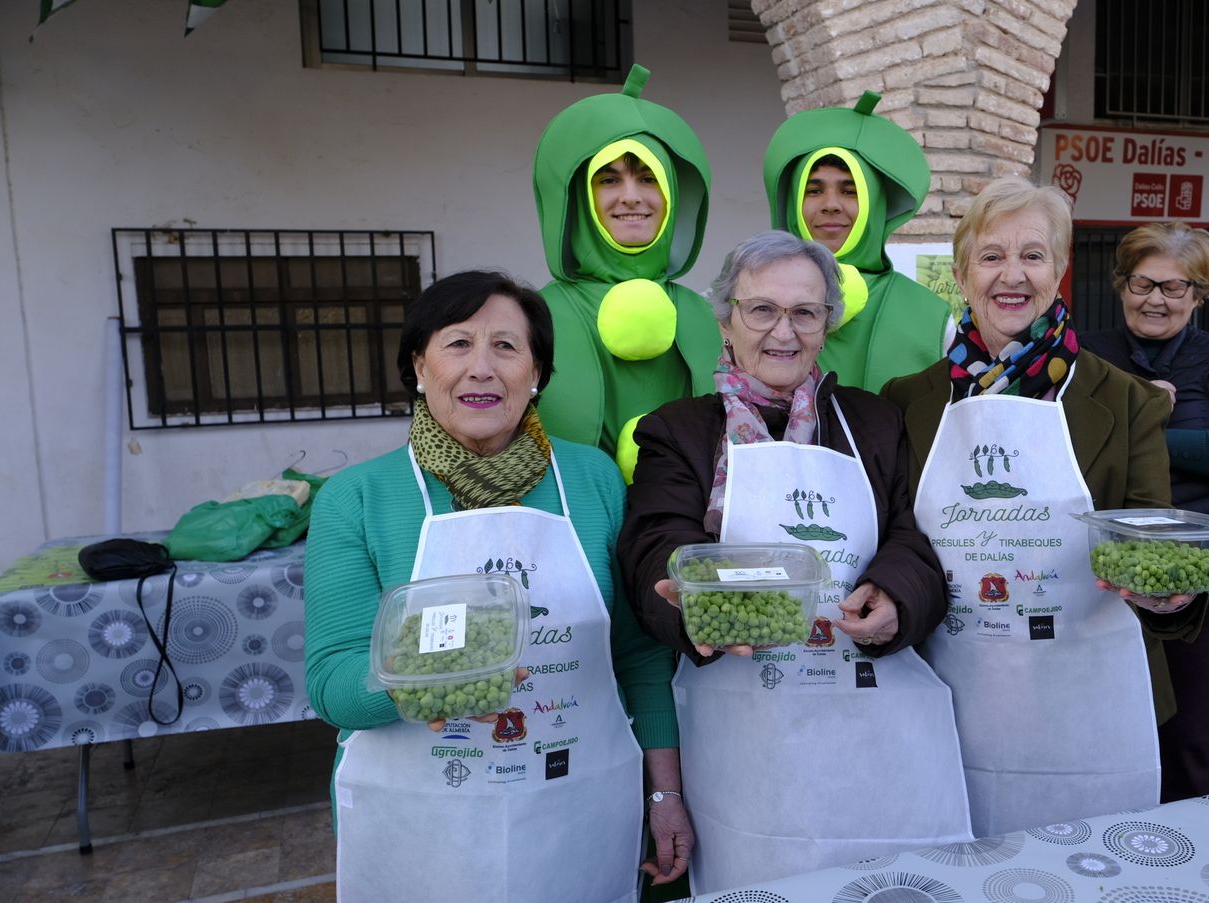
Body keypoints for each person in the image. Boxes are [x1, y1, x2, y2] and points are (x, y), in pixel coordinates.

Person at [305, 271, 690, 902]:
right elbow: (331, 684)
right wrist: (419, 687)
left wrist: (665, 793)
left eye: (506, 347)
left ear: (536, 372)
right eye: (458, 344)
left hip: (578, 797)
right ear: (419, 367)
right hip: (421, 815)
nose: (482, 368)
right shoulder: (360, 497)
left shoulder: (592, 481)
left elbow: (639, 657)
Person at [619, 231, 970, 893]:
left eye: (805, 312)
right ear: (725, 319)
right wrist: (685, 602)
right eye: (762, 310)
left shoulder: (872, 422)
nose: (784, 330)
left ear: (827, 324)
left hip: (867, 716)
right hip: (741, 720)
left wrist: (896, 594)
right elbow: (654, 541)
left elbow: (913, 539)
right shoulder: (680, 431)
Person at [882, 177, 1207, 837]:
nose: (1013, 274)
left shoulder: (1125, 400)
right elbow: (893, 540)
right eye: (992, 255)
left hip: (1088, 699)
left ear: (1060, 270)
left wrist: (1167, 591)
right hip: (950, 689)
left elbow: (1149, 530)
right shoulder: (906, 400)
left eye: (1034, 255)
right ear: (963, 271)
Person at [1081, 222, 1209, 801]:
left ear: (1199, 294)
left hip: (1200, 573)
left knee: (1191, 733)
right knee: (1110, 723)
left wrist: (1149, 432)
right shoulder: (1088, 354)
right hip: (1107, 570)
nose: (1157, 300)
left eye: (1175, 287)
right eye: (1143, 284)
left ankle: (1180, 853)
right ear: (1121, 285)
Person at [531, 64, 722, 476]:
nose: (631, 198)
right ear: (581, 197)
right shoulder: (533, 317)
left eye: (648, 178)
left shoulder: (712, 318)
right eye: (609, 180)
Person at [763, 91, 953, 391]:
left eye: (849, 191)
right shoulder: (747, 301)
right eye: (814, 190)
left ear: (875, 204)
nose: (831, 205)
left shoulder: (931, 318)